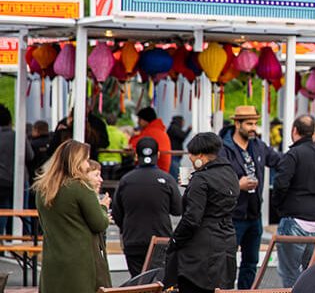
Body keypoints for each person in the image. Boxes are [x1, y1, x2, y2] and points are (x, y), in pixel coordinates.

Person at [33, 140, 112, 291]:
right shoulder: (80, 187)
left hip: (52, 258)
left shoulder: (43, 189)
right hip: (80, 262)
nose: (87, 164)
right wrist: (103, 207)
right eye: (85, 159)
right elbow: (99, 223)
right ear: (76, 161)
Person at [164, 132, 238, 292]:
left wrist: (175, 241)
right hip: (226, 243)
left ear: (201, 155)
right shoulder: (230, 173)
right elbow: (216, 200)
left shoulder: (201, 179)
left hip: (200, 252)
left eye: (191, 154)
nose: (189, 157)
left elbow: (192, 219)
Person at [217, 105, 282, 289]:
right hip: (232, 215)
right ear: (237, 124)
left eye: (255, 123)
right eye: (249, 124)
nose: (254, 127)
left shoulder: (258, 145)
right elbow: (216, 180)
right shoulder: (224, 148)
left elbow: (279, 160)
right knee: (227, 262)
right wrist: (238, 185)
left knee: (250, 263)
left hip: (254, 215)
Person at [273, 114, 315, 287]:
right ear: (312, 132)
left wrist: (279, 206)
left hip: (294, 219)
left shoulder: (293, 155)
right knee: (313, 273)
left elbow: (280, 185)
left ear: (294, 131)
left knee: (290, 274)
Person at [113, 138, 182, 274]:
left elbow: (117, 213)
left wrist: (125, 227)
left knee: (138, 282)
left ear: (137, 156)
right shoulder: (167, 179)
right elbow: (177, 210)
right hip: (160, 240)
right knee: (158, 281)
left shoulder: (126, 181)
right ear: (159, 155)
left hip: (133, 240)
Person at [0, 104, 32, 235]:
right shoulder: (17, 136)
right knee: (22, 214)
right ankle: (26, 243)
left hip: (1, 181)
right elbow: (30, 156)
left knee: (2, 214)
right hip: (19, 180)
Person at [130, 107, 173, 173]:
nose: (138, 122)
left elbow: (133, 144)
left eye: (139, 119)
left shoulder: (150, 131)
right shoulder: (158, 130)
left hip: (154, 168)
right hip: (161, 168)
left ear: (145, 120)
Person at [168, 115, 192, 179]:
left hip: (175, 155)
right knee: (175, 174)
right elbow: (182, 136)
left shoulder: (174, 128)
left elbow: (181, 138)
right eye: (183, 121)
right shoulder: (174, 128)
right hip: (174, 155)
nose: (184, 123)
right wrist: (189, 129)